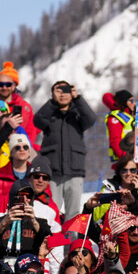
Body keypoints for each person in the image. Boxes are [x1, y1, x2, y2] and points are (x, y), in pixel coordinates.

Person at [33, 81, 96, 218]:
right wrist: (52, 102)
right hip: (52, 172)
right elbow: (37, 121)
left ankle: (72, 240)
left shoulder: (78, 114)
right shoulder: (50, 113)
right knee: (50, 210)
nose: (62, 94)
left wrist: (78, 99)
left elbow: (91, 119)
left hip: (75, 170)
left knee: (73, 213)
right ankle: (52, 238)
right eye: (58, 91)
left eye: (65, 90)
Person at [0, 61, 40, 149]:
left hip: (19, 150)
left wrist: (22, 149)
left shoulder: (25, 106)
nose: (4, 88)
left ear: (14, 86)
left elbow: (31, 131)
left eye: (8, 84)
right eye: (1, 85)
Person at [102, 89, 135, 162]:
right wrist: (126, 159)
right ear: (124, 102)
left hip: (132, 157)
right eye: (131, 101)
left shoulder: (129, 116)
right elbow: (115, 141)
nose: (134, 103)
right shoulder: (115, 118)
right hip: (124, 161)